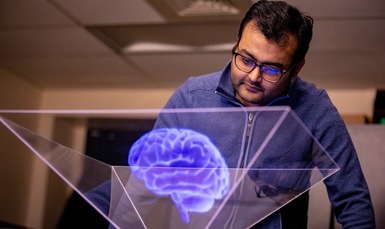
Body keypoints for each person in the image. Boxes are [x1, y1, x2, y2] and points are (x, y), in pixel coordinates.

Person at [154, 0, 376, 228]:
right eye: (246, 60)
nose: (253, 77)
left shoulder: (315, 109)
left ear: (296, 69)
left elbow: (353, 200)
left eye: (271, 69)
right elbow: (143, 180)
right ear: (237, 43)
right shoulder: (191, 97)